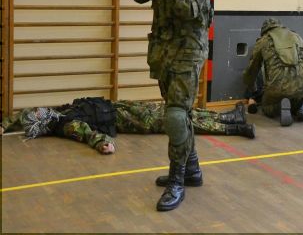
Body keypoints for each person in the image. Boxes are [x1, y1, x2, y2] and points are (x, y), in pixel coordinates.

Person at [129, 0, 216, 211]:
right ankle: (191, 169)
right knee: (178, 113)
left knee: (176, 116)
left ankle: (177, 180)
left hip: (189, 49)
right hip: (165, 49)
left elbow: (192, 10)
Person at [0, 99, 255, 153]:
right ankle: (233, 128)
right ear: (42, 123)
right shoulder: (66, 124)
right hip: (130, 121)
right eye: (39, 114)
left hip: (122, 107)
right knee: (176, 120)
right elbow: (89, 134)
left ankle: (229, 116)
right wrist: (104, 144)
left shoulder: (57, 112)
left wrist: (3, 125)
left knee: (174, 108)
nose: (40, 110)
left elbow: (21, 116)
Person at [243, 18, 303, 127]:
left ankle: (283, 105)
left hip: (278, 87)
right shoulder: (295, 36)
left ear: (264, 30)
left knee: (267, 108)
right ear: (279, 26)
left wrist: (251, 90)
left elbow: (251, 71)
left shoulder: (262, 41)